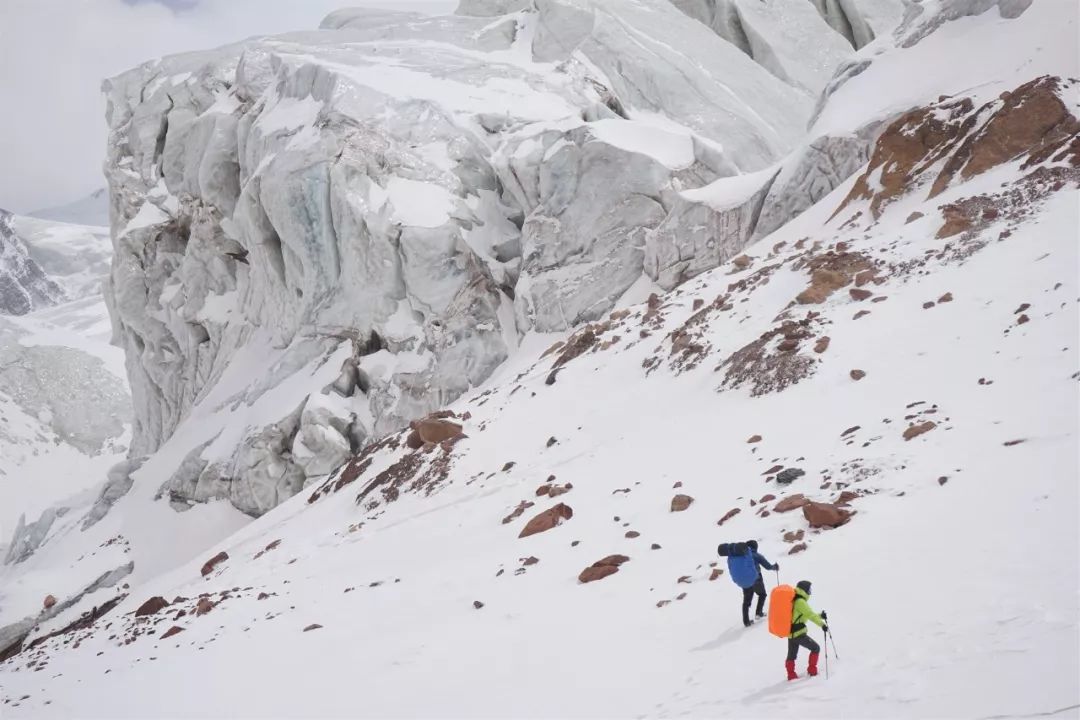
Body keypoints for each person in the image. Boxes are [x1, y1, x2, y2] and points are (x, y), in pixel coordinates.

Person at [786, 580, 828, 680]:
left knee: (791, 655)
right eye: (809, 590)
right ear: (805, 590)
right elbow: (810, 615)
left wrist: (820, 616)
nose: (810, 592)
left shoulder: (795, 599)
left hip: (791, 633)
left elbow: (806, 615)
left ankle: (791, 675)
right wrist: (822, 624)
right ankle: (812, 670)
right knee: (815, 648)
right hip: (798, 634)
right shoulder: (800, 602)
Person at [741, 540, 778, 627]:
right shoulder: (756, 555)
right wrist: (774, 567)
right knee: (762, 594)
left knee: (746, 601)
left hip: (744, 580)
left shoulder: (741, 556)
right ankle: (759, 612)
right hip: (756, 579)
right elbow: (768, 566)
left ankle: (746, 621)